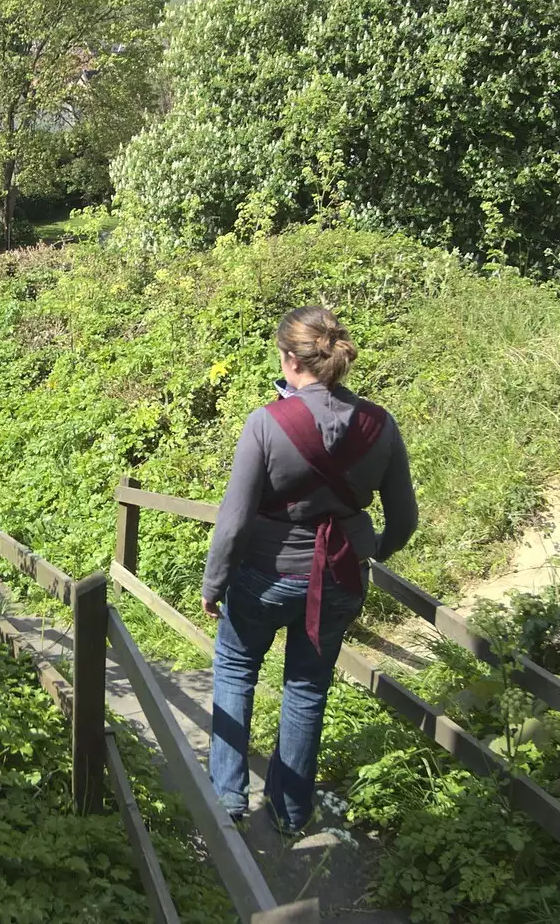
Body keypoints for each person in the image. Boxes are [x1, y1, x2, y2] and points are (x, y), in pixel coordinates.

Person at [201, 306, 417, 832]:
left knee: (235, 668)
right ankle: (291, 810)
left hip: (265, 574)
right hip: (339, 577)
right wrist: (369, 552)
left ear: (288, 359)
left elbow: (232, 524)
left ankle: (227, 797)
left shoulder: (267, 423)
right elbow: (405, 519)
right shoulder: (378, 425)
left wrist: (214, 584)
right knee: (306, 688)